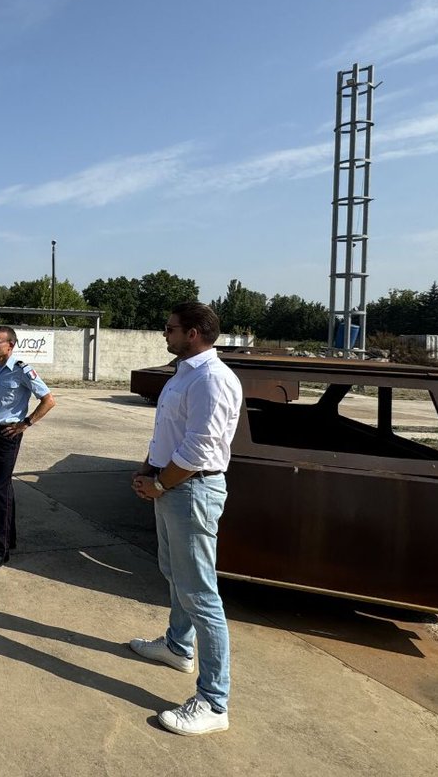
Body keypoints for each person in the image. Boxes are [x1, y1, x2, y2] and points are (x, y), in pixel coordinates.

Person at [128, 301, 242, 736]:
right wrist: (147, 469)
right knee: (174, 573)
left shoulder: (213, 379)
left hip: (191, 490)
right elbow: (169, 434)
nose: (165, 334)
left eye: (170, 328)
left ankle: (215, 701)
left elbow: (199, 450)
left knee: (201, 595)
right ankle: (178, 646)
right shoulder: (186, 373)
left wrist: (160, 484)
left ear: (193, 333)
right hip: (170, 484)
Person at [0, 325, 55, 570]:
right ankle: (5, 538)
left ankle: (0, 550)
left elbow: (48, 400)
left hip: (8, 434)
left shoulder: (22, 370)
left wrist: (26, 423)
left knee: (0, 489)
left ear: (10, 345)